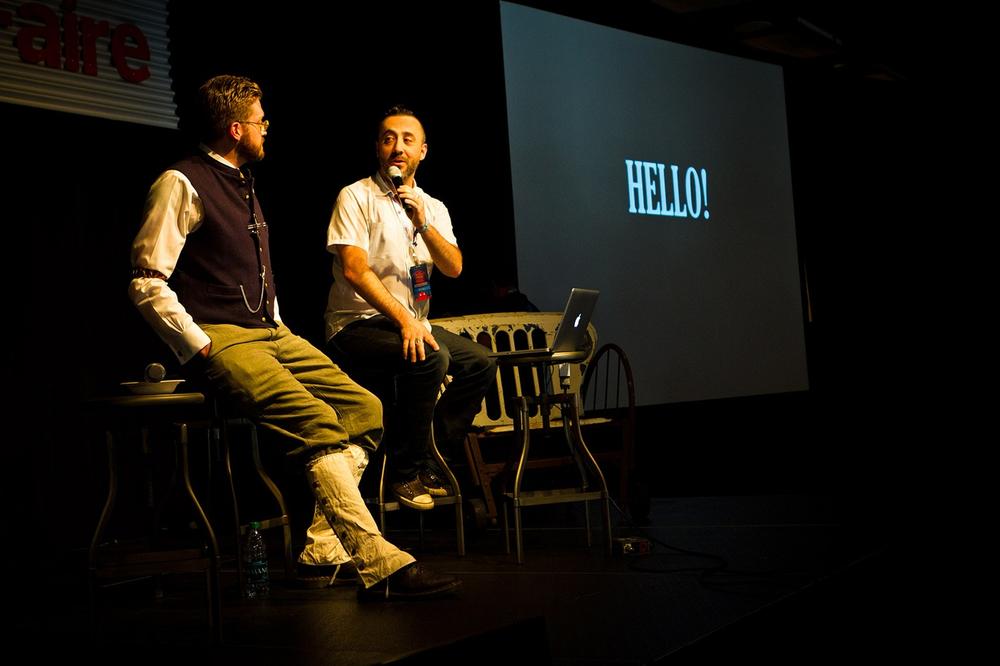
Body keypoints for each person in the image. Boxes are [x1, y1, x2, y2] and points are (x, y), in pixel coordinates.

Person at [128, 75, 459, 600]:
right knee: (317, 422)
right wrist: (197, 345)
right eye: (260, 121)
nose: (267, 127)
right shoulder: (182, 181)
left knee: (365, 411)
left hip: (270, 332)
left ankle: (323, 545)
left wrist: (276, 321)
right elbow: (147, 279)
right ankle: (379, 560)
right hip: (223, 337)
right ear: (236, 129)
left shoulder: (243, 182)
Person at [322, 105, 496, 511]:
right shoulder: (356, 196)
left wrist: (422, 223)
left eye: (407, 139)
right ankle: (405, 472)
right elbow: (353, 269)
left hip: (411, 322)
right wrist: (405, 321)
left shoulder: (432, 206)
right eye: (388, 138)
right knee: (431, 359)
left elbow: (453, 266)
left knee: (480, 363)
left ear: (423, 151)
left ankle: (432, 455)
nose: (397, 147)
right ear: (378, 149)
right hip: (356, 325)